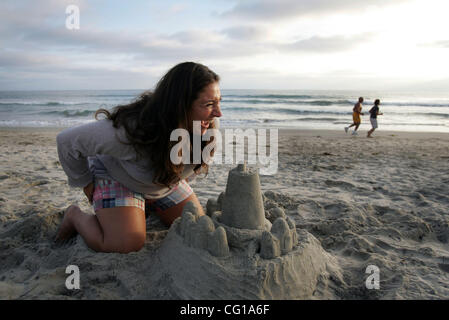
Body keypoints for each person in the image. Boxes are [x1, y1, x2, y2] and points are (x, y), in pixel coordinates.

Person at [55, 62, 222, 253]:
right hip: (117, 177)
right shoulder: (131, 132)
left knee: (196, 225)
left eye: (218, 102)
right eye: (209, 104)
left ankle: (144, 204)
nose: (218, 113)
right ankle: (74, 216)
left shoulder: (207, 130)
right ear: (180, 104)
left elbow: (189, 172)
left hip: (161, 181)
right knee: (127, 243)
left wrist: (157, 184)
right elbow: (66, 141)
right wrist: (84, 181)